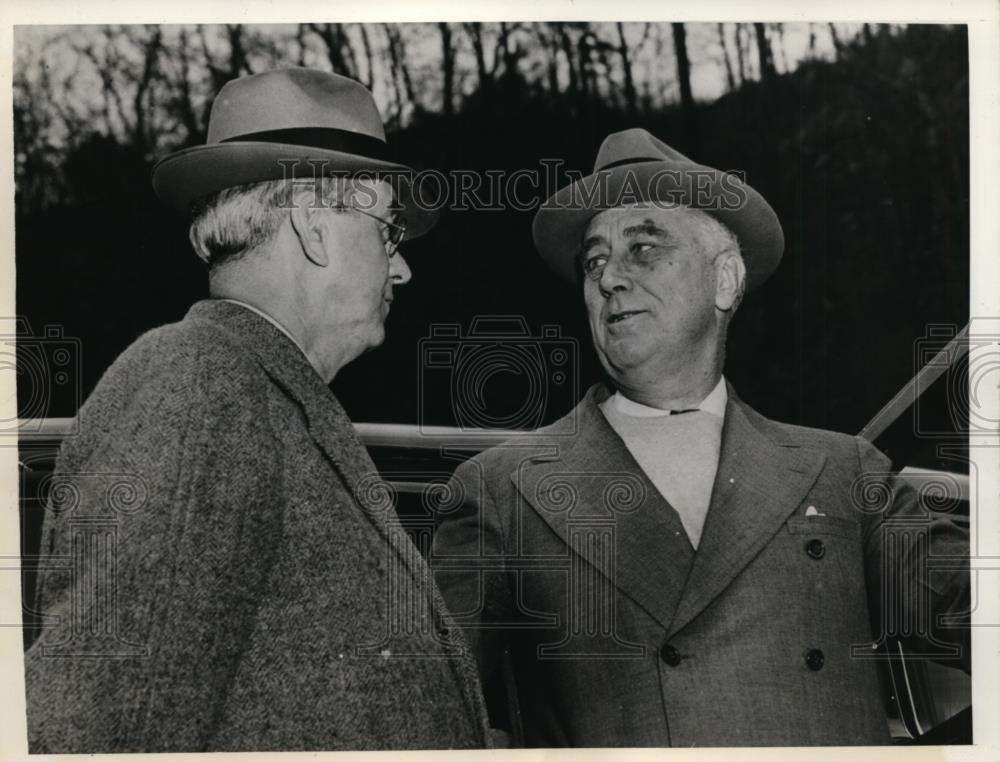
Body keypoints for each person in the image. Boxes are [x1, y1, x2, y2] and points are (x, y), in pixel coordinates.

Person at [431, 128, 970, 746]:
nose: (609, 279)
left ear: (725, 282)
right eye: (594, 261)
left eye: (643, 248)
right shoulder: (504, 490)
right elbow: (421, 715)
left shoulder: (843, 470)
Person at [24, 68, 489, 752]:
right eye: (388, 231)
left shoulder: (264, 393)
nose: (401, 269)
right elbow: (98, 733)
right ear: (315, 226)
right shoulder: (197, 388)